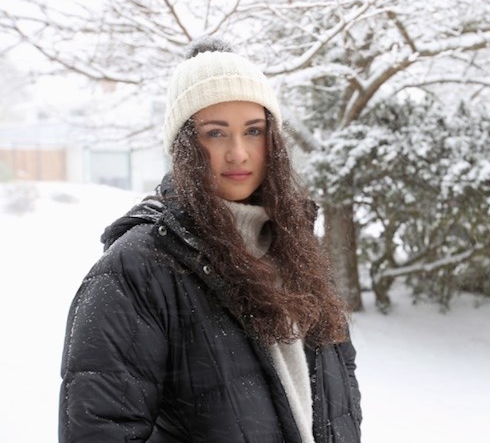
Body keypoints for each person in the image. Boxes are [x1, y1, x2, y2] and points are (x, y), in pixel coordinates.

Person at [59, 37, 362, 443]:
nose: (239, 153)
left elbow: (339, 397)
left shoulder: (296, 249)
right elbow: (99, 430)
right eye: (216, 134)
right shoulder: (136, 270)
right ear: (184, 145)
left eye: (253, 131)